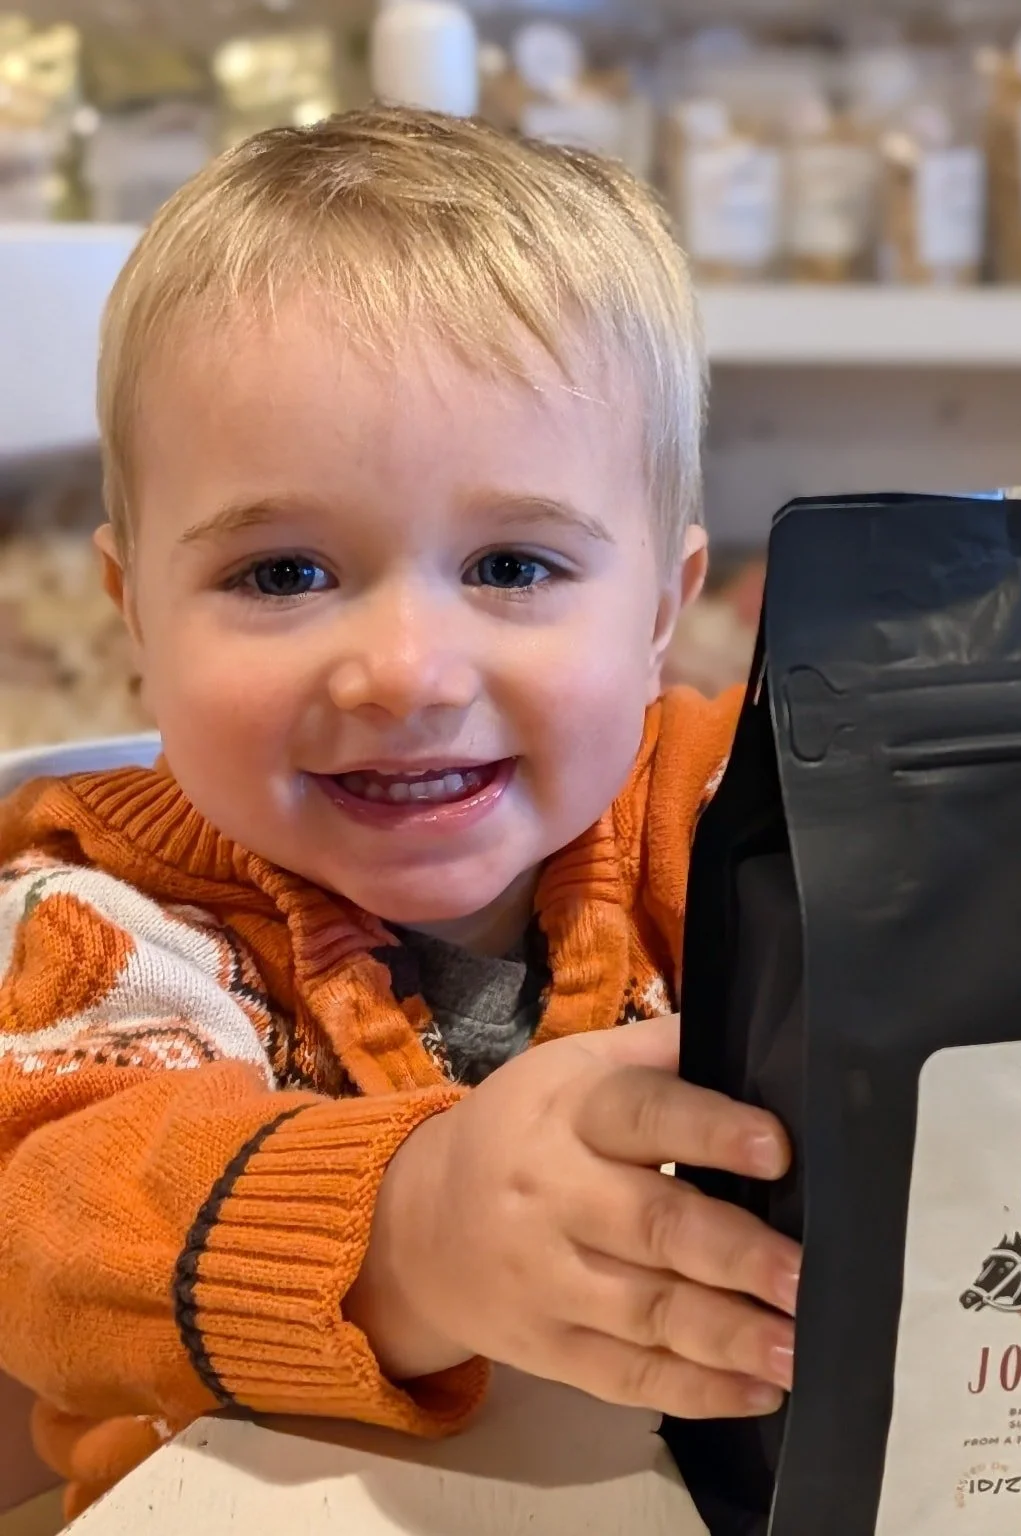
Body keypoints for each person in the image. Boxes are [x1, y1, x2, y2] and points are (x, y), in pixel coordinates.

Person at [0, 106, 799, 1520]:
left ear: (659, 615)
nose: (408, 674)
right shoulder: (103, 920)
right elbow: (49, 1226)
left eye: (512, 565)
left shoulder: (733, 812)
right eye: (283, 575)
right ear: (138, 620)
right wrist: (407, 1232)